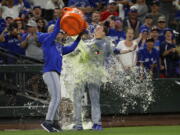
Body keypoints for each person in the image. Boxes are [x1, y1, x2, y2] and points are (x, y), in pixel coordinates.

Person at [38, 18, 83, 132]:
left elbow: (71, 48)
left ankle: (53, 122)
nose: (61, 33)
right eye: (59, 32)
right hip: (50, 71)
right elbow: (55, 30)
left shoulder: (59, 46)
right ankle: (48, 122)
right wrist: (61, 18)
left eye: (62, 32)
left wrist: (79, 37)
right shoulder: (48, 41)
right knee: (56, 97)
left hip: (54, 73)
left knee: (57, 98)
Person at [73, 24, 112, 131]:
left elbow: (99, 53)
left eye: (99, 28)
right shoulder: (92, 41)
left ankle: (95, 123)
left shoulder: (104, 43)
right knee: (77, 97)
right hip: (85, 72)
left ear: (104, 33)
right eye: (96, 28)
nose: (96, 29)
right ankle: (80, 123)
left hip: (94, 73)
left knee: (93, 99)